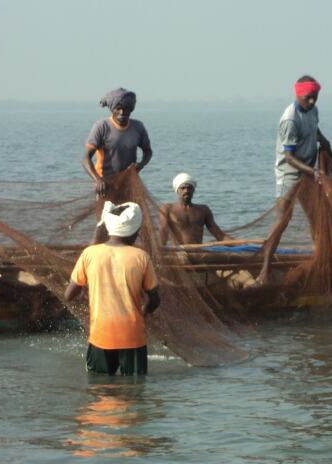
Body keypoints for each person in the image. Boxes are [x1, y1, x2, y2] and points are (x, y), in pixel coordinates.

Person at [256, 75, 332, 285]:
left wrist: (322, 139)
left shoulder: (313, 110)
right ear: (298, 95)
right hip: (290, 174)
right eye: (308, 98)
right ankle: (264, 272)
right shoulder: (290, 119)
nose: (312, 101)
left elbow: (314, 128)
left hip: (308, 171)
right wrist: (313, 173)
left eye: (315, 97)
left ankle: (323, 262)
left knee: (316, 219)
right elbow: (289, 157)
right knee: (281, 222)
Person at [64, 201, 160, 376]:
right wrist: (143, 312)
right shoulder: (141, 257)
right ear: (136, 232)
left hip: (101, 335)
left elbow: (69, 295)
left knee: (99, 390)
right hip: (133, 335)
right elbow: (155, 299)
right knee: (135, 392)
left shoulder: (89, 254)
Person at [81, 88, 153, 243]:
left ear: (131, 110)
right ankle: (96, 255)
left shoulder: (137, 127)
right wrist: (97, 180)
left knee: (130, 224)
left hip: (129, 185)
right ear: (112, 109)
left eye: (126, 109)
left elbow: (148, 152)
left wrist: (140, 165)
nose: (122, 112)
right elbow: (86, 158)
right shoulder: (102, 127)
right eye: (118, 109)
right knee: (104, 224)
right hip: (106, 185)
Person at [159, 172, 232, 246]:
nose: (186, 191)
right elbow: (163, 232)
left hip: (198, 252)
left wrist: (238, 245)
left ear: (193, 190)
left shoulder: (203, 210)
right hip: (178, 252)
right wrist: (159, 250)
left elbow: (218, 234)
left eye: (189, 188)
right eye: (183, 188)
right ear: (177, 190)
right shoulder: (167, 209)